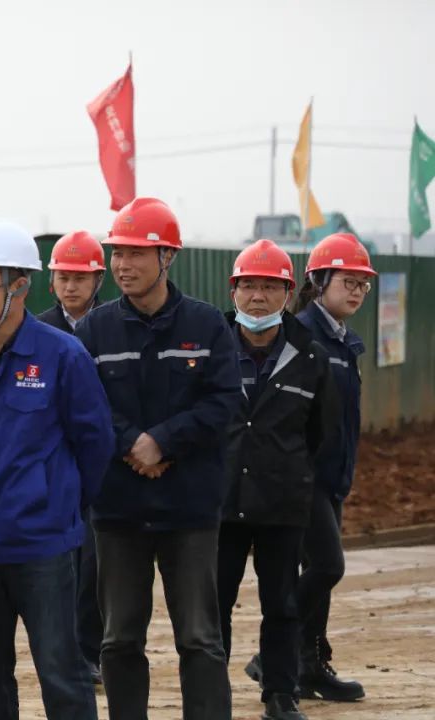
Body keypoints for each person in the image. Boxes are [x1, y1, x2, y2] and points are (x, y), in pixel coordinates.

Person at [74, 197, 243, 720]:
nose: (123, 265)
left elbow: (224, 401)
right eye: (118, 253)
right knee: (120, 638)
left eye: (136, 254)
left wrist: (164, 441)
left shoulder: (207, 326)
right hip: (119, 511)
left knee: (199, 638)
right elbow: (84, 405)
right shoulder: (95, 330)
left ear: (167, 257)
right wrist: (133, 444)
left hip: (189, 510)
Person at [0, 218, 114, 719]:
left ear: (19, 287)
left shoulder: (63, 355)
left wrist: (55, 501)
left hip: (42, 546)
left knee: (62, 674)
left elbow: (95, 444)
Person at [247, 232, 376, 702]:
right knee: (326, 565)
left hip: (332, 477)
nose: (357, 291)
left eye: (363, 284)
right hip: (304, 478)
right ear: (319, 282)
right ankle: (271, 655)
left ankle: (309, 665)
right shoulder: (301, 336)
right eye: (348, 281)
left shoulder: (343, 342)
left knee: (318, 572)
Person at [216, 239, 338, 720]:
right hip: (220, 502)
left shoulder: (311, 356)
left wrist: (285, 468)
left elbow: (319, 433)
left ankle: (280, 696)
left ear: (288, 294)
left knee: (283, 605)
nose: (258, 297)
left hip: (283, 502)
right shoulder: (211, 349)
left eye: (270, 287)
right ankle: (211, 696)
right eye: (248, 286)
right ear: (233, 291)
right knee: (213, 606)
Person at [35, 229, 107, 684]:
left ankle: (90, 652)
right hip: (52, 464)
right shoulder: (37, 331)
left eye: (80, 278)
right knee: (57, 566)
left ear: (98, 280)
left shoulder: (114, 326)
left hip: (101, 463)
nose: (71, 286)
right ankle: (62, 654)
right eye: (63, 277)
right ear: (51, 281)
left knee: (95, 566)